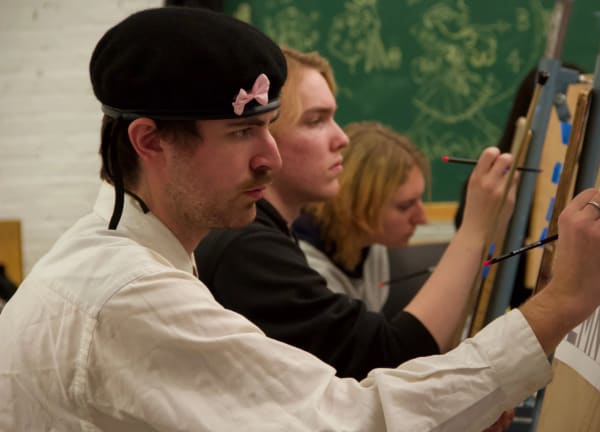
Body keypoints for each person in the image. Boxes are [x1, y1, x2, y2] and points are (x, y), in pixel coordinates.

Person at [0, 8, 600, 431]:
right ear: (150, 141)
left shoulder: (115, 252)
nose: (269, 157)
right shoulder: (130, 293)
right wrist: (566, 299)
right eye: (242, 131)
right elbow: (348, 419)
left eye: (270, 128)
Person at [196, 47, 521, 380]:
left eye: (333, 117)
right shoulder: (248, 248)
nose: (342, 138)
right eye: (315, 120)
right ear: (262, 135)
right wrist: (476, 229)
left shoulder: (268, 234)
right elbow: (387, 360)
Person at [293, 121, 430, 312]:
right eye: (405, 206)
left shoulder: (371, 243)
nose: (422, 219)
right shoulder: (306, 268)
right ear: (358, 206)